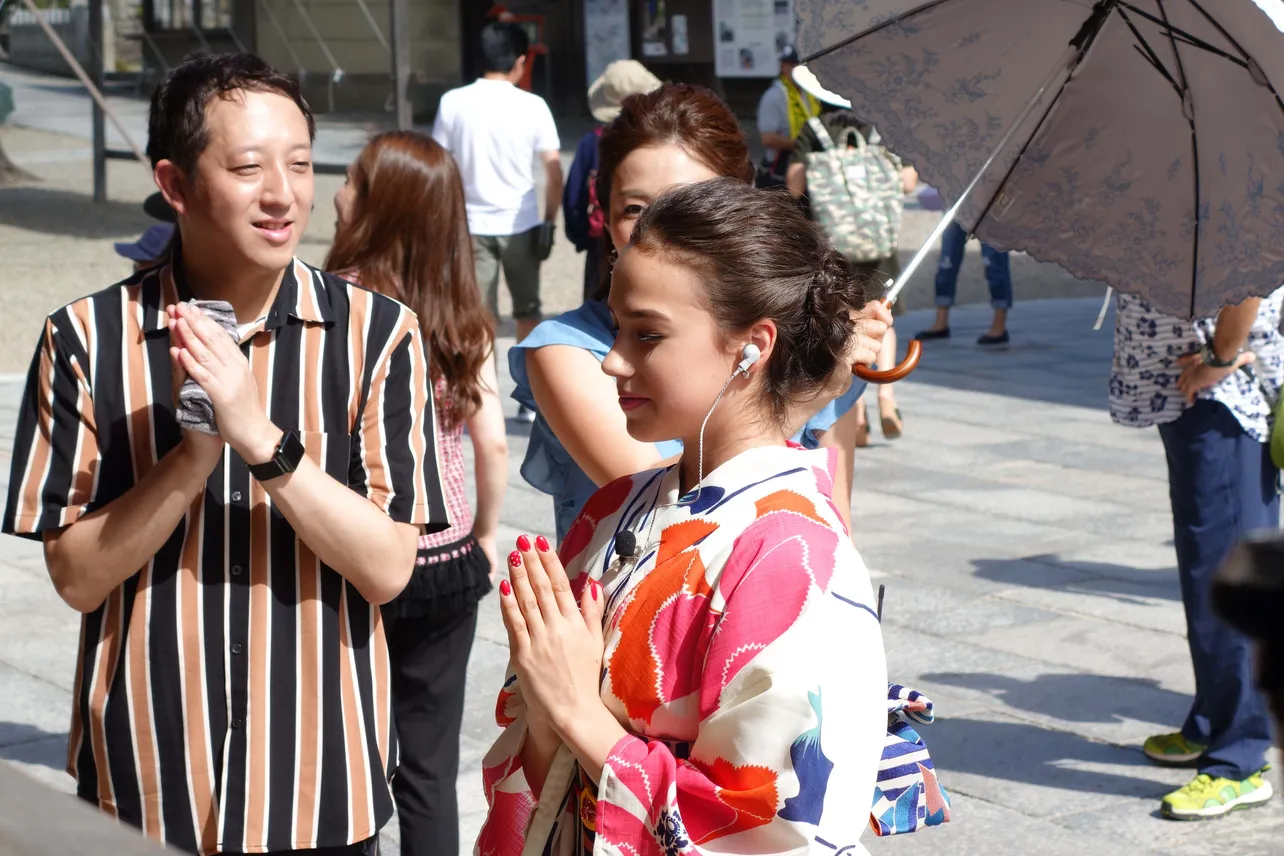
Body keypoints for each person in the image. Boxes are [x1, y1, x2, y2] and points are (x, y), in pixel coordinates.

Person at [0, 52, 449, 856]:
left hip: (321, 786)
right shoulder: (87, 339)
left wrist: (262, 442)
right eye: (247, 167)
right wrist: (192, 459)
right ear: (174, 185)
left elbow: (388, 567)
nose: (283, 194)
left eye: (302, 164)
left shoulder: (380, 334)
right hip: (144, 776)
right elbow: (75, 575)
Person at [477, 178, 888, 855]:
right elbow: (543, 724)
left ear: (752, 347)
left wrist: (579, 709)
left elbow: (777, 832)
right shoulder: (619, 504)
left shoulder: (793, 554)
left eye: (648, 335)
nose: (613, 361)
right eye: (617, 330)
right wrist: (551, 699)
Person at [509, 84, 891, 543]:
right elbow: (669, 510)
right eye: (635, 208)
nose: (657, 229)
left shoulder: (810, 344)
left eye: (691, 203)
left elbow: (834, 522)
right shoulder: (566, 350)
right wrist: (801, 401)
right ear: (605, 218)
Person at [325, 130, 506, 856]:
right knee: (429, 767)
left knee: (349, 756)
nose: (335, 194)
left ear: (378, 206)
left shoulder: (336, 307)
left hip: (360, 558)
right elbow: (491, 441)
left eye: (349, 181)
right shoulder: (461, 311)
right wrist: (483, 534)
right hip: (447, 560)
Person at [1110, 288, 1284, 820]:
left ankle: (1241, 758)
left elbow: (1249, 270)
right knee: (1201, 568)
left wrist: (1221, 358)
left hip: (1223, 393)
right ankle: (1212, 719)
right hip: (1192, 390)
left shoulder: (1234, 201)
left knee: (1225, 576)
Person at [432, 20, 563, 424]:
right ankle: (527, 395)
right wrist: (548, 221)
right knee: (528, 309)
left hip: (469, 225)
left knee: (479, 314)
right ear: (521, 61)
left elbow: (439, 166)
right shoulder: (533, 105)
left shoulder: (452, 102)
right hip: (522, 223)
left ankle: (483, 391)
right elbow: (554, 171)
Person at [786, 97, 918, 446]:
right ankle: (886, 400)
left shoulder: (816, 129)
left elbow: (793, 184)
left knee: (843, 322)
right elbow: (907, 182)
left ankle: (855, 416)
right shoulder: (882, 124)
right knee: (881, 317)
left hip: (832, 246)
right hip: (877, 244)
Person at [564, 60, 661, 301]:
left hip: (602, 242)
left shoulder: (591, 142)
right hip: (653, 239)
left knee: (597, 316)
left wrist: (581, 236)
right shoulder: (657, 142)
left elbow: (574, 198)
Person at [915, 219, 1012, 346]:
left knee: (994, 262)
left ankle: (999, 325)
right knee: (947, 261)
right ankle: (941, 321)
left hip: (991, 208)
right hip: (959, 204)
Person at [754, 45, 818, 189]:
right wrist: (803, 145)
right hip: (781, 173)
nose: (797, 69)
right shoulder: (774, 96)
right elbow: (768, 139)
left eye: (801, 64)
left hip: (808, 168)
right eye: (792, 65)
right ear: (783, 67)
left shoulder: (809, 93)